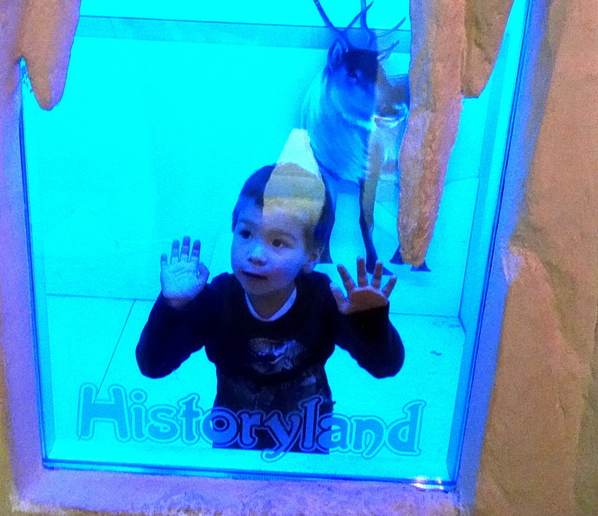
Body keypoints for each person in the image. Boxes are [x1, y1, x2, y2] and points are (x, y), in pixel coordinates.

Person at [136, 163, 404, 453]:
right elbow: (153, 365)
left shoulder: (324, 300)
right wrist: (171, 307)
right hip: (235, 439)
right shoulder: (217, 299)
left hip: (307, 439)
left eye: (278, 242)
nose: (255, 255)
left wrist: (370, 322)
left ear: (311, 255)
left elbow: (385, 366)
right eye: (246, 234)